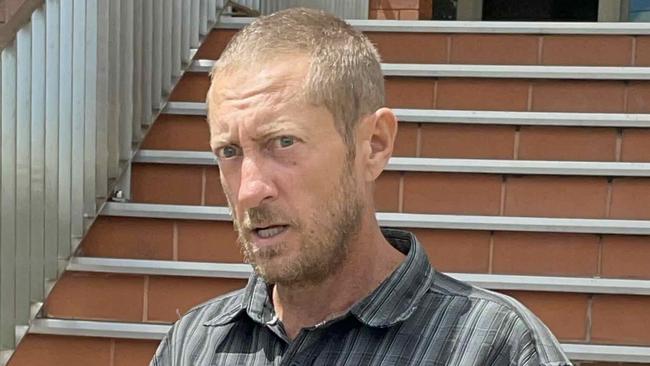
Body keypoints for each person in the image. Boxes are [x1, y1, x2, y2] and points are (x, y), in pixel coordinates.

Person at [150, 7, 572, 366]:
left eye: (283, 143)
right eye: (229, 152)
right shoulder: (196, 345)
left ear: (374, 145)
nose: (249, 190)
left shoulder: (493, 348)